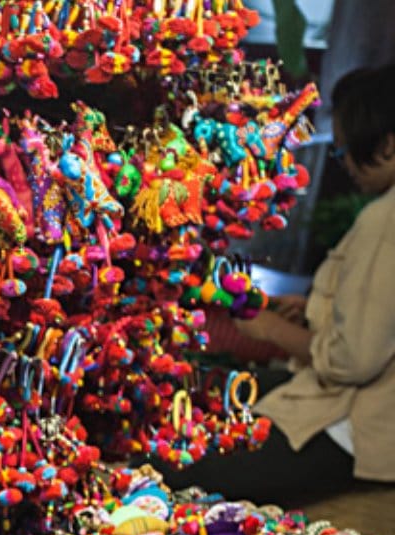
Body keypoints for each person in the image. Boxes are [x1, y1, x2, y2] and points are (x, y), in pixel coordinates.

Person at [169, 62, 395, 507]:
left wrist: (268, 328)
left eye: (345, 151)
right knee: (212, 393)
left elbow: (354, 360)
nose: (344, 164)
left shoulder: (384, 220)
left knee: (178, 465)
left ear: (386, 146)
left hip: (352, 427)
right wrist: (314, 308)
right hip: (348, 405)